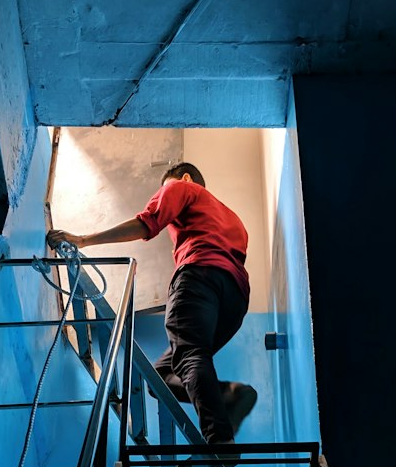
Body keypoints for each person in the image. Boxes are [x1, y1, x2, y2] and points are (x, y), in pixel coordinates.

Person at [47, 162, 258, 448]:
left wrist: (83, 240)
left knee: (191, 356)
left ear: (184, 177)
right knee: (163, 377)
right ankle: (229, 396)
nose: (164, 192)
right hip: (235, 298)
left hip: (199, 277)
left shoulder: (180, 186)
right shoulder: (233, 219)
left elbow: (147, 222)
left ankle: (219, 437)